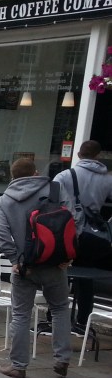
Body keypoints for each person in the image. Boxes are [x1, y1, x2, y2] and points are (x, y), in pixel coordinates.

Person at [0, 156, 72, 378]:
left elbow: (1, 234)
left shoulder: (5, 200)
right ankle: (62, 358)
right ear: (35, 172)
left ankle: (18, 366)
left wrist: (14, 259)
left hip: (25, 266)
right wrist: (67, 255)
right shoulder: (55, 190)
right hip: (56, 264)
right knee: (60, 308)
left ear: (12, 176)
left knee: (20, 314)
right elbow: (72, 219)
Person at [53, 139, 112, 331]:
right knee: (85, 279)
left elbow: (50, 201)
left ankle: (54, 319)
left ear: (78, 154)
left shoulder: (65, 175)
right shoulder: (108, 178)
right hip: (90, 237)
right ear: (98, 156)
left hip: (66, 233)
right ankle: (83, 322)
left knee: (60, 275)